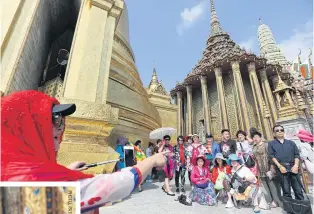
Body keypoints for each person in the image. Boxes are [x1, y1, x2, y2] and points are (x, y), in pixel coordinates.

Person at [1, 90, 168, 214]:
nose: (61, 128)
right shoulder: (24, 181)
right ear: (26, 126)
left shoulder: (9, 170)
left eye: (61, 122)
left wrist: (66, 172)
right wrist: (152, 161)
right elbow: (113, 186)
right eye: (54, 119)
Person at [268, 124, 304, 200]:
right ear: (274, 133)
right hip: (281, 168)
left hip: (293, 167)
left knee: (298, 190)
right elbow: (272, 156)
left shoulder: (291, 143)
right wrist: (280, 166)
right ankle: (290, 209)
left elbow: (296, 155)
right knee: (286, 191)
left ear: (284, 132)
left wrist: (296, 166)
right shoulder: (271, 144)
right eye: (277, 131)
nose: (279, 132)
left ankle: (301, 208)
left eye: (281, 130)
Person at [252, 131, 282, 208]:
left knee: (272, 185)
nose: (254, 139)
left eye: (256, 137)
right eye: (253, 137)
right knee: (266, 185)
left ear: (260, 137)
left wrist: (272, 166)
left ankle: (276, 200)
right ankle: (271, 200)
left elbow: (271, 155)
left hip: (267, 167)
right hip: (260, 168)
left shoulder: (266, 145)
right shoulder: (254, 146)